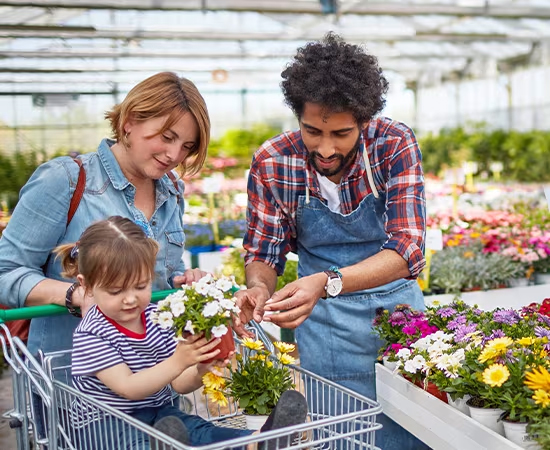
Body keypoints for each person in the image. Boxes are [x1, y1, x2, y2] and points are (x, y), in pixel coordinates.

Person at [235, 33, 429, 450]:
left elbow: (408, 249)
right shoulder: (273, 161)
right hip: (326, 330)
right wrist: (258, 288)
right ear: (298, 116)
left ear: (364, 119)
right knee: (344, 439)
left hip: (397, 319)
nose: (325, 148)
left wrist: (326, 281)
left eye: (341, 133)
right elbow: (263, 251)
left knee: (414, 432)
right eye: (312, 131)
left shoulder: (392, 145)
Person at [0, 72, 210, 369]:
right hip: (73, 385)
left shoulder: (171, 192)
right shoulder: (67, 181)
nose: (175, 154)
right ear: (130, 122)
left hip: (154, 379)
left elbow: (166, 275)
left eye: (187, 146)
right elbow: (5, 271)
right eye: (167, 137)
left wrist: (187, 282)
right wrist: (75, 294)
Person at [55, 216, 307, 450]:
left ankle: (257, 442)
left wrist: (201, 369)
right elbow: (128, 387)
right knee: (142, 441)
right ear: (86, 285)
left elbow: (179, 383)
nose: (130, 299)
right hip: (106, 425)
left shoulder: (156, 318)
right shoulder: (92, 332)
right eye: (115, 291)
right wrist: (179, 360)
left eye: (141, 286)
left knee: (197, 430)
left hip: (161, 414)